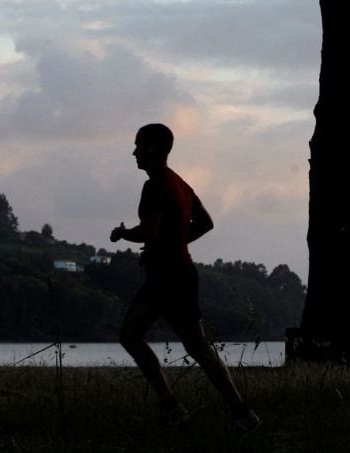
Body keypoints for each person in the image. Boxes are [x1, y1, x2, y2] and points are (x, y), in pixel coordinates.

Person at [111, 123, 260, 430]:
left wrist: (122, 233)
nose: (134, 152)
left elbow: (148, 231)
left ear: (153, 148)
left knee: (130, 335)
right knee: (200, 348)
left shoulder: (154, 185)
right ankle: (243, 415)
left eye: (138, 145)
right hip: (183, 273)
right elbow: (205, 223)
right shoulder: (180, 183)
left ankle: (171, 407)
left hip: (165, 277)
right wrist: (175, 243)